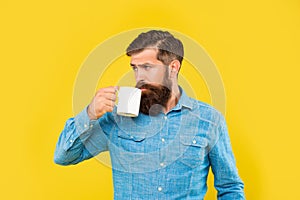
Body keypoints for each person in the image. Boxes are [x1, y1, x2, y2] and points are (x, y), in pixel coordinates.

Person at [54, 30, 245, 199]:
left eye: (147, 67)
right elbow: (64, 156)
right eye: (135, 68)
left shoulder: (209, 120)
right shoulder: (118, 118)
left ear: (173, 68)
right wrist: (89, 113)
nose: (139, 77)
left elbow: (230, 187)